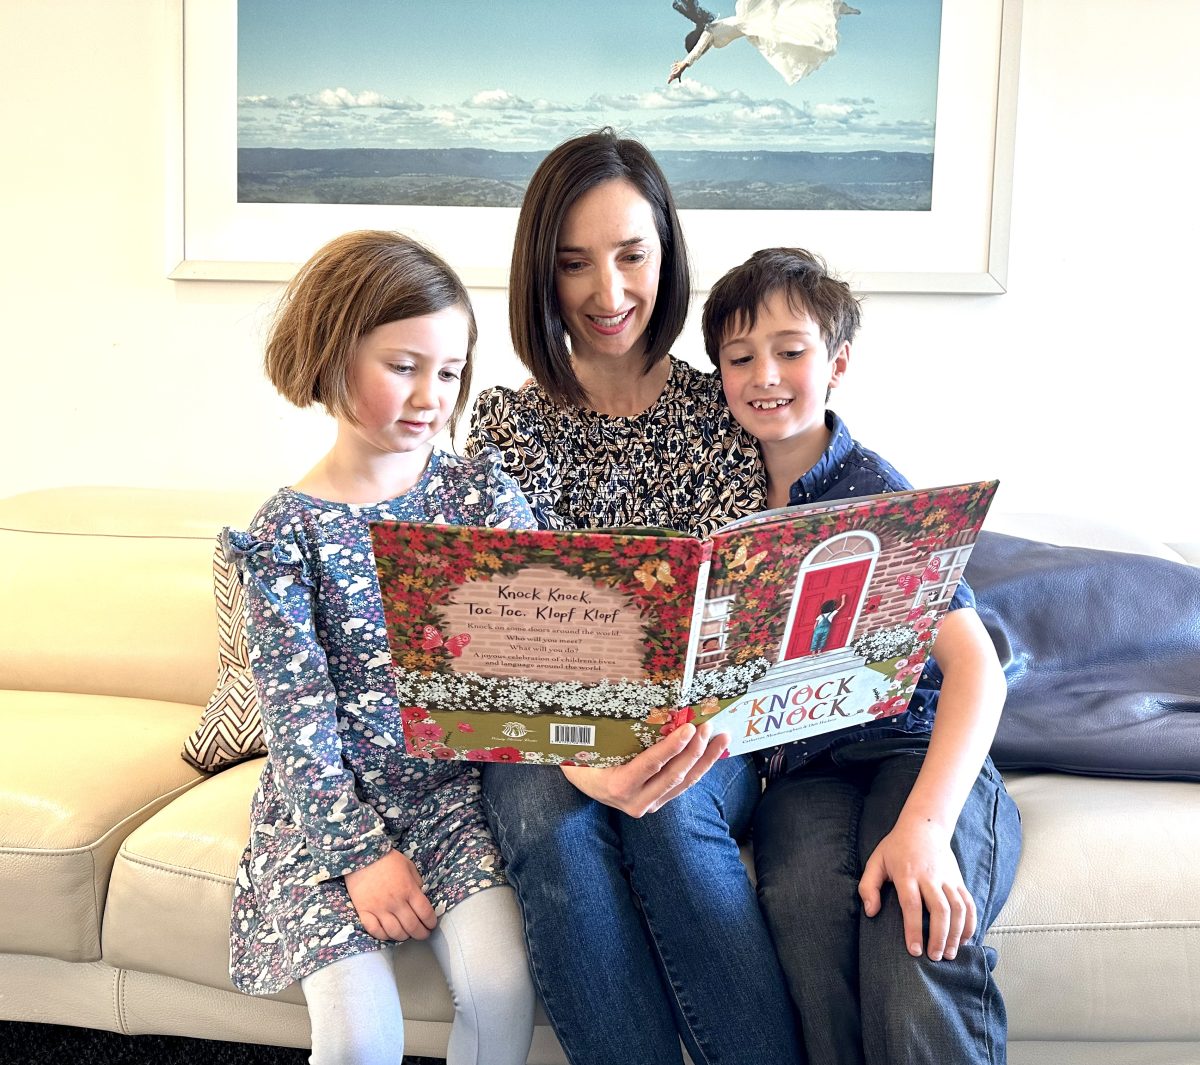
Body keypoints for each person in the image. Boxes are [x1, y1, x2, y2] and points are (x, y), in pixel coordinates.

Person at [467, 130, 803, 1065]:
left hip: (698, 720)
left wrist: (647, 748)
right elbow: (485, 642)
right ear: (541, 272)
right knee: (550, 823)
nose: (608, 294)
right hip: (546, 735)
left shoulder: (725, 410)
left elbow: (743, 627)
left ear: (667, 254)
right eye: (574, 263)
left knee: (670, 818)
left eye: (631, 255)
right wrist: (580, 756)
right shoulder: (503, 423)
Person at [702, 246, 1023, 1065]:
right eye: (740, 357)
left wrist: (925, 828)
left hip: (912, 753)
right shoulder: (722, 506)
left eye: (790, 350)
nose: (764, 373)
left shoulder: (875, 493)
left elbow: (977, 667)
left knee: (910, 933)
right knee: (806, 927)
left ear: (837, 362)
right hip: (806, 776)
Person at [224, 230, 536, 1065]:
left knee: (504, 988)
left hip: (454, 805)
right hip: (326, 818)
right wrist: (361, 854)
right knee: (363, 1036)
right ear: (331, 358)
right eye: (404, 366)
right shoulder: (285, 536)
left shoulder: (482, 495)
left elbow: (545, 649)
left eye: (449, 372)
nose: (431, 396)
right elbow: (300, 728)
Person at [667, 0, 860, 86]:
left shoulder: (709, 32)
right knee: (791, 20)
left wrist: (685, 64)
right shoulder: (711, 33)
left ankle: (837, 9)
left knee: (791, 19)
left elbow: (698, 50)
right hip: (751, 27)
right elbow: (700, 50)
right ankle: (838, 10)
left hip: (749, 21)